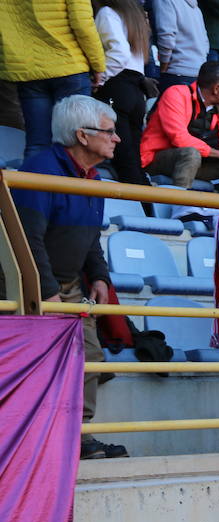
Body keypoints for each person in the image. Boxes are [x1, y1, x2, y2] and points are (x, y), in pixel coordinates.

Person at [12, 95, 127, 459]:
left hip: (73, 286)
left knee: (90, 357)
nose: (117, 138)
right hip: (32, 285)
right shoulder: (39, 172)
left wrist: (99, 276)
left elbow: (91, 237)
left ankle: (79, 438)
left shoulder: (93, 177)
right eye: (109, 131)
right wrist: (47, 293)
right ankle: (37, 441)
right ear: (82, 135)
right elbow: (27, 239)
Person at [0, 0, 105, 158]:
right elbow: (82, 24)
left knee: (37, 144)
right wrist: (98, 65)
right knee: (76, 143)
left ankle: (33, 183)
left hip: (29, 70)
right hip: (69, 67)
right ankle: (71, 183)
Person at [140, 61, 219, 197]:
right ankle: (180, 209)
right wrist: (217, 153)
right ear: (216, 88)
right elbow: (179, 138)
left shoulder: (218, 107)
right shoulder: (176, 93)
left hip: (196, 162)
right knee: (191, 154)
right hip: (156, 159)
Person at [93, 0, 151, 186]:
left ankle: (137, 208)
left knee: (124, 158)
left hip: (116, 86)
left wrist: (100, 79)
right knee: (133, 157)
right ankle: (146, 209)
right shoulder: (135, 16)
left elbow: (119, 53)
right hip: (136, 89)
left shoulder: (107, 13)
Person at [155, 0, 210, 92]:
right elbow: (205, 42)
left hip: (176, 72)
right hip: (198, 73)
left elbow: (166, 37)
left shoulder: (166, 1)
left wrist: (163, 67)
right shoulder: (196, 8)